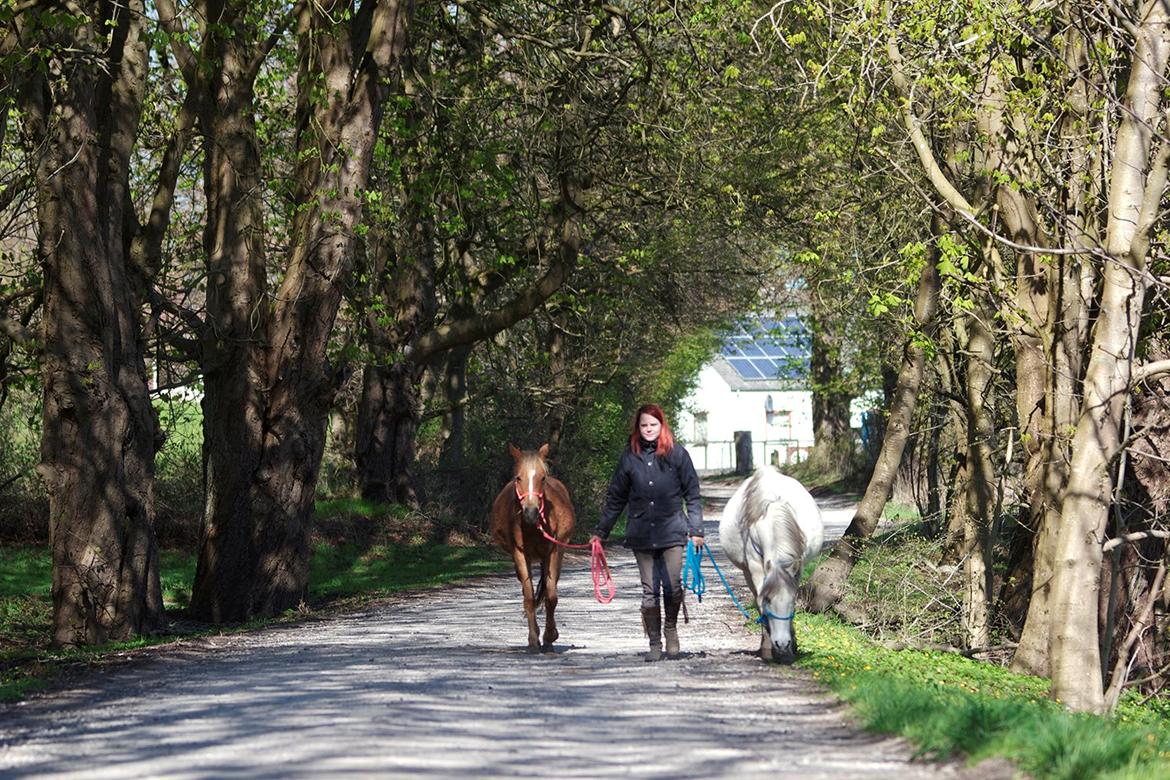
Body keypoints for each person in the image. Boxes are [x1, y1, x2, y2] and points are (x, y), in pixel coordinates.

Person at [592, 403, 704, 661]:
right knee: (649, 591)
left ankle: (671, 628)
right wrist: (601, 531)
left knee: (672, 586)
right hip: (641, 533)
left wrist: (696, 529)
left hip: (672, 531)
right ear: (638, 428)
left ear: (662, 425)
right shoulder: (629, 458)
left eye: (653, 424)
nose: (649, 429)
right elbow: (616, 498)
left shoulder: (678, 454)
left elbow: (692, 494)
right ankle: (654, 642)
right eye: (644, 425)